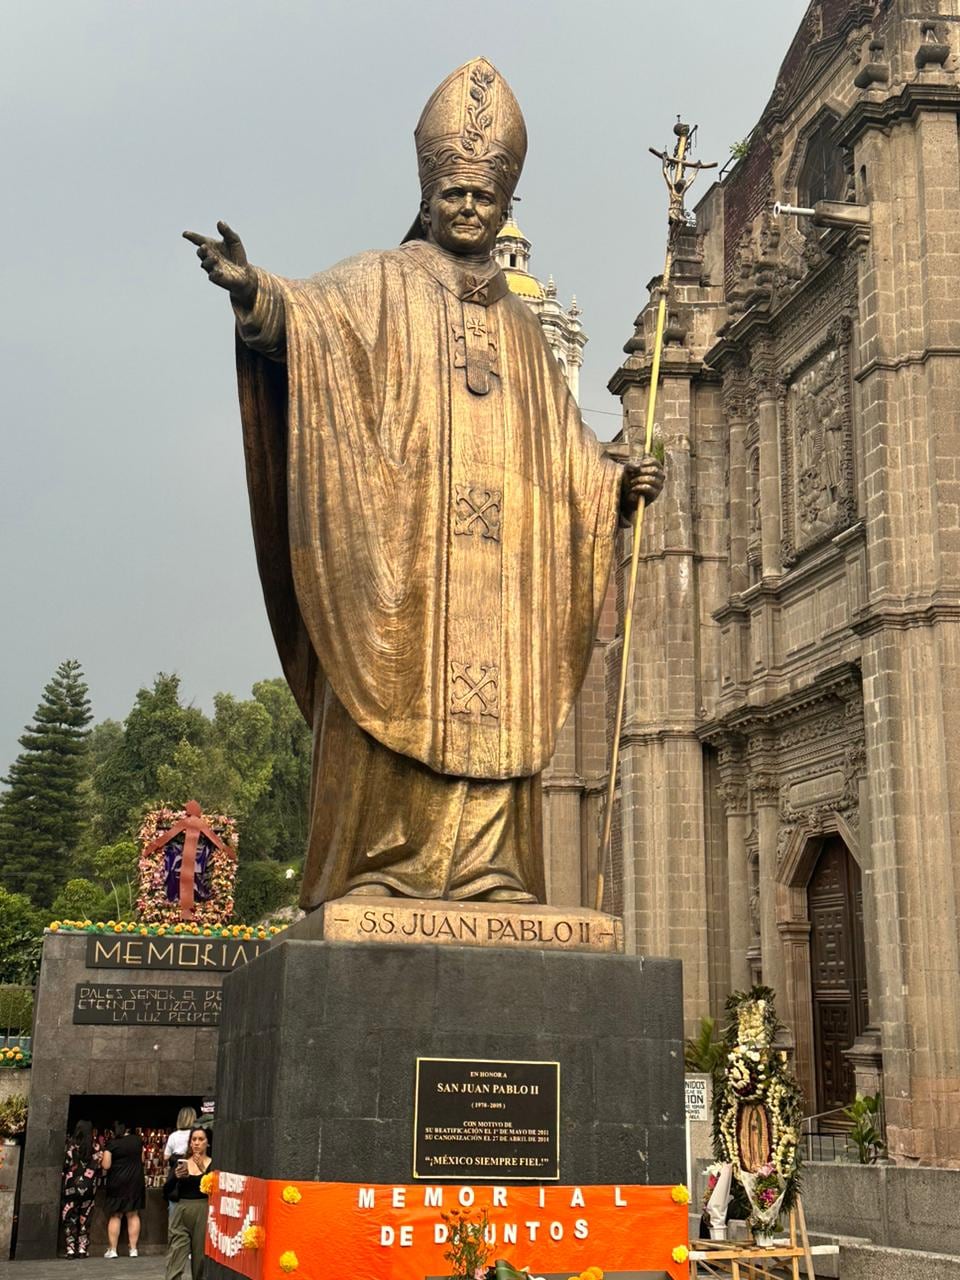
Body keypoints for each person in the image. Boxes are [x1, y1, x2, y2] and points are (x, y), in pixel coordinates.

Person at [184, 57, 663, 908]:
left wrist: (614, 479)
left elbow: (564, 449)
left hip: (499, 582)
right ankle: (376, 870)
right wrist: (255, 291)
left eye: (485, 197)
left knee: (500, 709)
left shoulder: (524, 331)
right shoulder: (380, 279)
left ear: (506, 208)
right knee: (385, 685)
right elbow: (310, 319)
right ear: (428, 199)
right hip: (403, 557)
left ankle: (491, 873)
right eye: (454, 195)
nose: (469, 208)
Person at [164, 1127, 213, 1280]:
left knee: (200, 1257)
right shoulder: (181, 1163)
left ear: (207, 1143)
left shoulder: (212, 1164)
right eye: (194, 1139)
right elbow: (166, 1190)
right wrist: (175, 1177)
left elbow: (215, 1189)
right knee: (176, 1252)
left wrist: (203, 1169)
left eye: (201, 1139)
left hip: (202, 1209)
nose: (197, 1143)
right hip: (181, 1209)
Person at [101, 1120, 145, 1258]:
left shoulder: (112, 1144)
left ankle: (113, 1249)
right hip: (135, 1182)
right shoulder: (137, 1141)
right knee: (133, 1214)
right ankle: (133, 1249)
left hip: (117, 1183)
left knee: (116, 1215)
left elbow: (106, 1165)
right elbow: (142, 1160)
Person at [61, 1120, 98, 1258]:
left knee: (70, 1217)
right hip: (89, 1188)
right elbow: (99, 1166)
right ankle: (82, 1248)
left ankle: (70, 1249)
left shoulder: (70, 1147)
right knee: (85, 1218)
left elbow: (65, 1166)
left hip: (71, 1188)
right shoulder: (95, 1147)